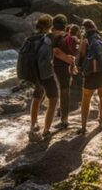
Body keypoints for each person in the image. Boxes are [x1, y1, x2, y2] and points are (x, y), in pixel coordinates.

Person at [26, 14, 59, 142]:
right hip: (45, 76)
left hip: (33, 74)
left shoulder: (31, 38)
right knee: (53, 99)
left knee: (36, 98)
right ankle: (46, 130)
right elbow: (44, 61)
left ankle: (33, 125)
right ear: (49, 27)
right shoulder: (46, 40)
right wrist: (47, 77)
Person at [77, 18, 102, 135]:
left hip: (90, 72)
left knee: (86, 99)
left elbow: (81, 54)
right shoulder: (101, 38)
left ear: (84, 29)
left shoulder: (85, 39)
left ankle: (83, 126)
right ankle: (101, 119)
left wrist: (79, 66)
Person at [50, 14, 79, 129]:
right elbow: (73, 54)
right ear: (65, 25)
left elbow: (55, 51)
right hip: (64, 69)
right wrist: (71, 62)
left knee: (52, 93)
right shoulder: (68, 37)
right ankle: (64, 119)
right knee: (65, 92)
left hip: (53, 68)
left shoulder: (52, 36)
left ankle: (60, 119)